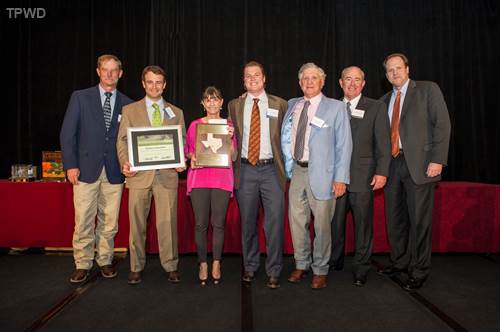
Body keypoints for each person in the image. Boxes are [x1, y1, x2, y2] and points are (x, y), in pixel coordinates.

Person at [378, 53, 451, 290]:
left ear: (408, 69)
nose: (395, 73)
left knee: (419, 221)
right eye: (390, 70)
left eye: (398, 68)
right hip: (392, 165)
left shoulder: (428, 90)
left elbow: (442, 124)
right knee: (395, 219)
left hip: (420, 166)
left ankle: (419, 270)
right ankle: (399, 263)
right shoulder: (384, 99)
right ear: (386, 74)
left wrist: (438, 159)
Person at [60, 54, 132, 283]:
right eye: (105, 70)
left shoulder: (128, 104)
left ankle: (105, 260)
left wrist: (130, 163)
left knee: (109, 221)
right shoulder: (80, 97)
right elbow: (67, 134)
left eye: (114, 70)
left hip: (114, 171)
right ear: (98, 71)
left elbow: (130, 140)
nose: (109, 74)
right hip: (85, 170)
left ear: (120, 74)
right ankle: (82, 263)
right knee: (83, 220)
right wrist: (70, 165)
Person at [282, 62, 352, 289]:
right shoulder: (293, 105)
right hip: (297, 172)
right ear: (300, 83)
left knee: (322, 225)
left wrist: (341, 178)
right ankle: (301, 264)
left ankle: (320, 269)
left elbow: (344, 145)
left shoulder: (335, 107)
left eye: (314, 78)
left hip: (324, 174)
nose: (309, 82)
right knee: (296, 222)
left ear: (322, 82)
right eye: (305, 78)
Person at [116, 65, 186, 285]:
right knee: (136, 224)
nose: (154, 86)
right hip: (138, 176)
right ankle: (136, 266)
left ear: (164, 85)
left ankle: (171, 265)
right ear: (143, 84)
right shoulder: (130, 110)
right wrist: (125, 163)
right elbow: (123, 141)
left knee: (168, 224)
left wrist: (181, 159)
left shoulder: (177, 112)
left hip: (166, 176)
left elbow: (182, 141)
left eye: (158, 82)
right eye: (150, 82)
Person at [228, 61, 288, 289]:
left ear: (264, 79)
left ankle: (274, 269)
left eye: (256, 75)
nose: (252, 79)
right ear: (243, 81)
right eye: (247, 76)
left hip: (272, 170)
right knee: (248, 221)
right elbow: (231, 138)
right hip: (246, 170)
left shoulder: (280, 104)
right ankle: (250, 266)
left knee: (274, 222)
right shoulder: (235, 105)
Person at [330, 66, 391, 286]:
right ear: (340, 82)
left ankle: (361, 268)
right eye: (348, 79)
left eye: (357, 80)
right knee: (334, 224)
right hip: (335, 178)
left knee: (363, 226)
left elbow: (383, 143)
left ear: (363, 84)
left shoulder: (376, 107)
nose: (352, 83)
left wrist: (382, 171)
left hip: (363, 177)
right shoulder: (332, 107)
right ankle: (334, 261)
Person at [185, 86, 237, 286]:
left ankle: (216, 262)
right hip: (199, 179)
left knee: (218, 224)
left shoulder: (229, 125)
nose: (212, 103)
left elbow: (232, 155)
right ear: (203, 103)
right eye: (208, 100)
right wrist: (192, 156)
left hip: (222, 179)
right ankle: (202, 264)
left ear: (221, 102)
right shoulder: (195, 126)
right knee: (200, 224)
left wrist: (230, 137)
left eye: (215, 99)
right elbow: (189, 151)